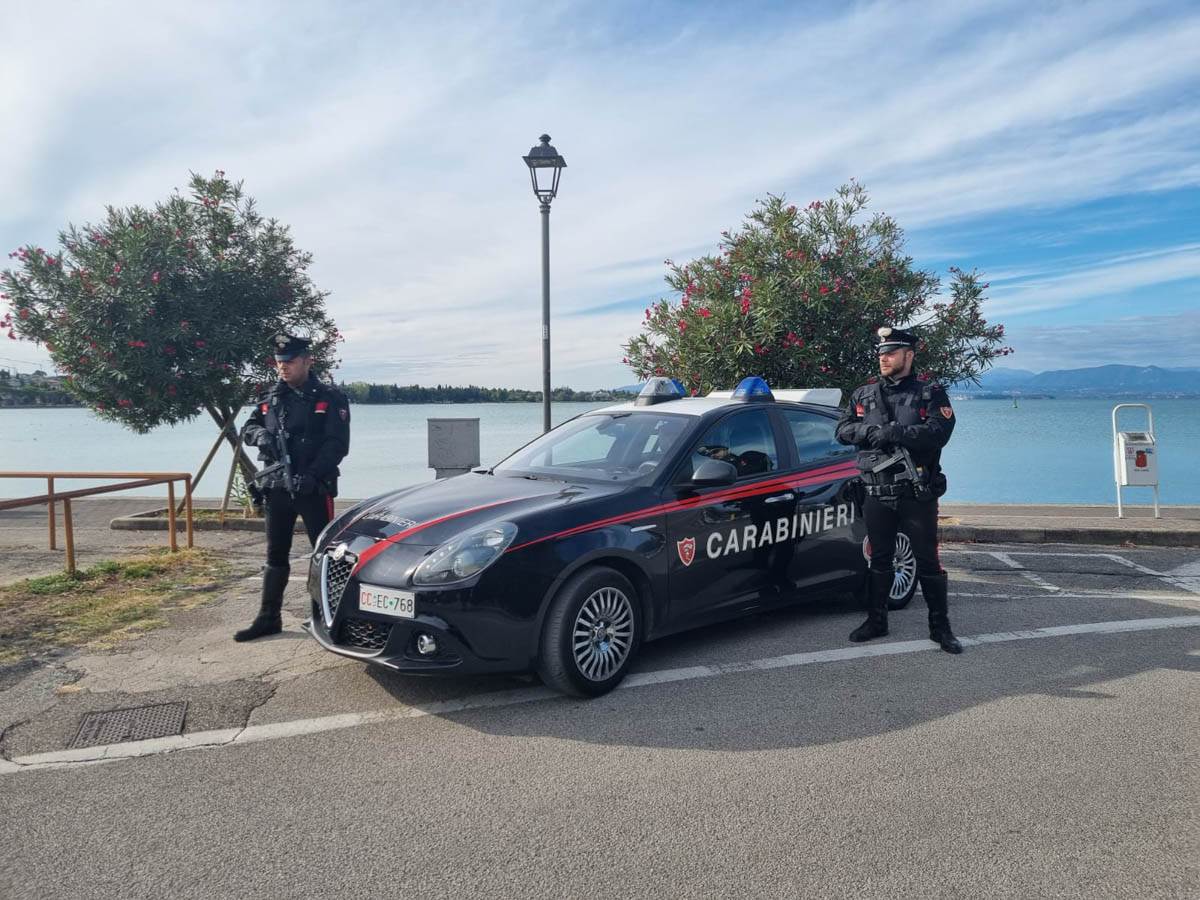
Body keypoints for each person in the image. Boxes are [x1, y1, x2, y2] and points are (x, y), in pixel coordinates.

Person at [835, 326, 962, 654]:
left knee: (928, 561)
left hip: (915, 493)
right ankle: (877, 621)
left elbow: (940, 432)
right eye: (881, 354)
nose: (884, 359)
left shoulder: (929, 393)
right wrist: (868, 431)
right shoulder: (863, 394)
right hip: (876, 493)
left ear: (909, 355)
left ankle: (940, 628)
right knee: (879, 559)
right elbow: (843, 429)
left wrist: (897, 432)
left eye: (890, 353)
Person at [235, 333, 351, 642]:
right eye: (279, 362)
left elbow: (336, 445)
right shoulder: (270, 396)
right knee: (275, 555)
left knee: (324, 556)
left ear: (306, 361)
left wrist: (311, 476)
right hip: (276, 488)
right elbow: (248, 428)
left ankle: (327, 618)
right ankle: (268, 617)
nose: (283, 368)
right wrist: (259, 436)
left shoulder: (329, 397)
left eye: (289, 362)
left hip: (313, 488)